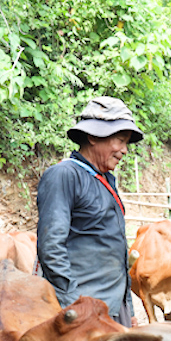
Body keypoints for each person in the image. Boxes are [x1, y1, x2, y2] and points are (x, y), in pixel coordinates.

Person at [36, 97, 141, 326]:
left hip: (111, 307)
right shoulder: (64, 176)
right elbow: (51, 246)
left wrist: (128, 309)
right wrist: (75, 306)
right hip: (84, 310)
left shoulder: (104, 180)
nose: (124, 150)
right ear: (93, 136)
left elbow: (116, 250)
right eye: (121, 140)